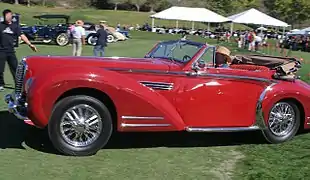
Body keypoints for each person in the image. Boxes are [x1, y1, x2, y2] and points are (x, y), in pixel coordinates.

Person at [0, 9, 37, 91]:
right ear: (4, 16)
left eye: (10, 15)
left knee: (16, 69)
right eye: (7, 15)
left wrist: (30, 44)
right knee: (0, 69)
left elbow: (22, 35)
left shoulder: (15, 26)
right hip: (1, 51)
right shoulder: (0, 25)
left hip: (11, 51)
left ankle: (18, 86)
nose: (9, 17)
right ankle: (1, 84)